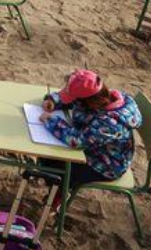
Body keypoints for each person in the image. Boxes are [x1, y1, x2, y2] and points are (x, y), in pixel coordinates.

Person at [39, 69, 142, 204]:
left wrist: (51, 121)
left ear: (88, 103)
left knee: (56, 167)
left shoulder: (109, 124)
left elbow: (77, 141)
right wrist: (54, 101)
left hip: (105, 165)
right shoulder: (103, 97)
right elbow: (73, 99)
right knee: (48, 158)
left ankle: (58, 197)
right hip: (93, 148)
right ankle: (58, 188)